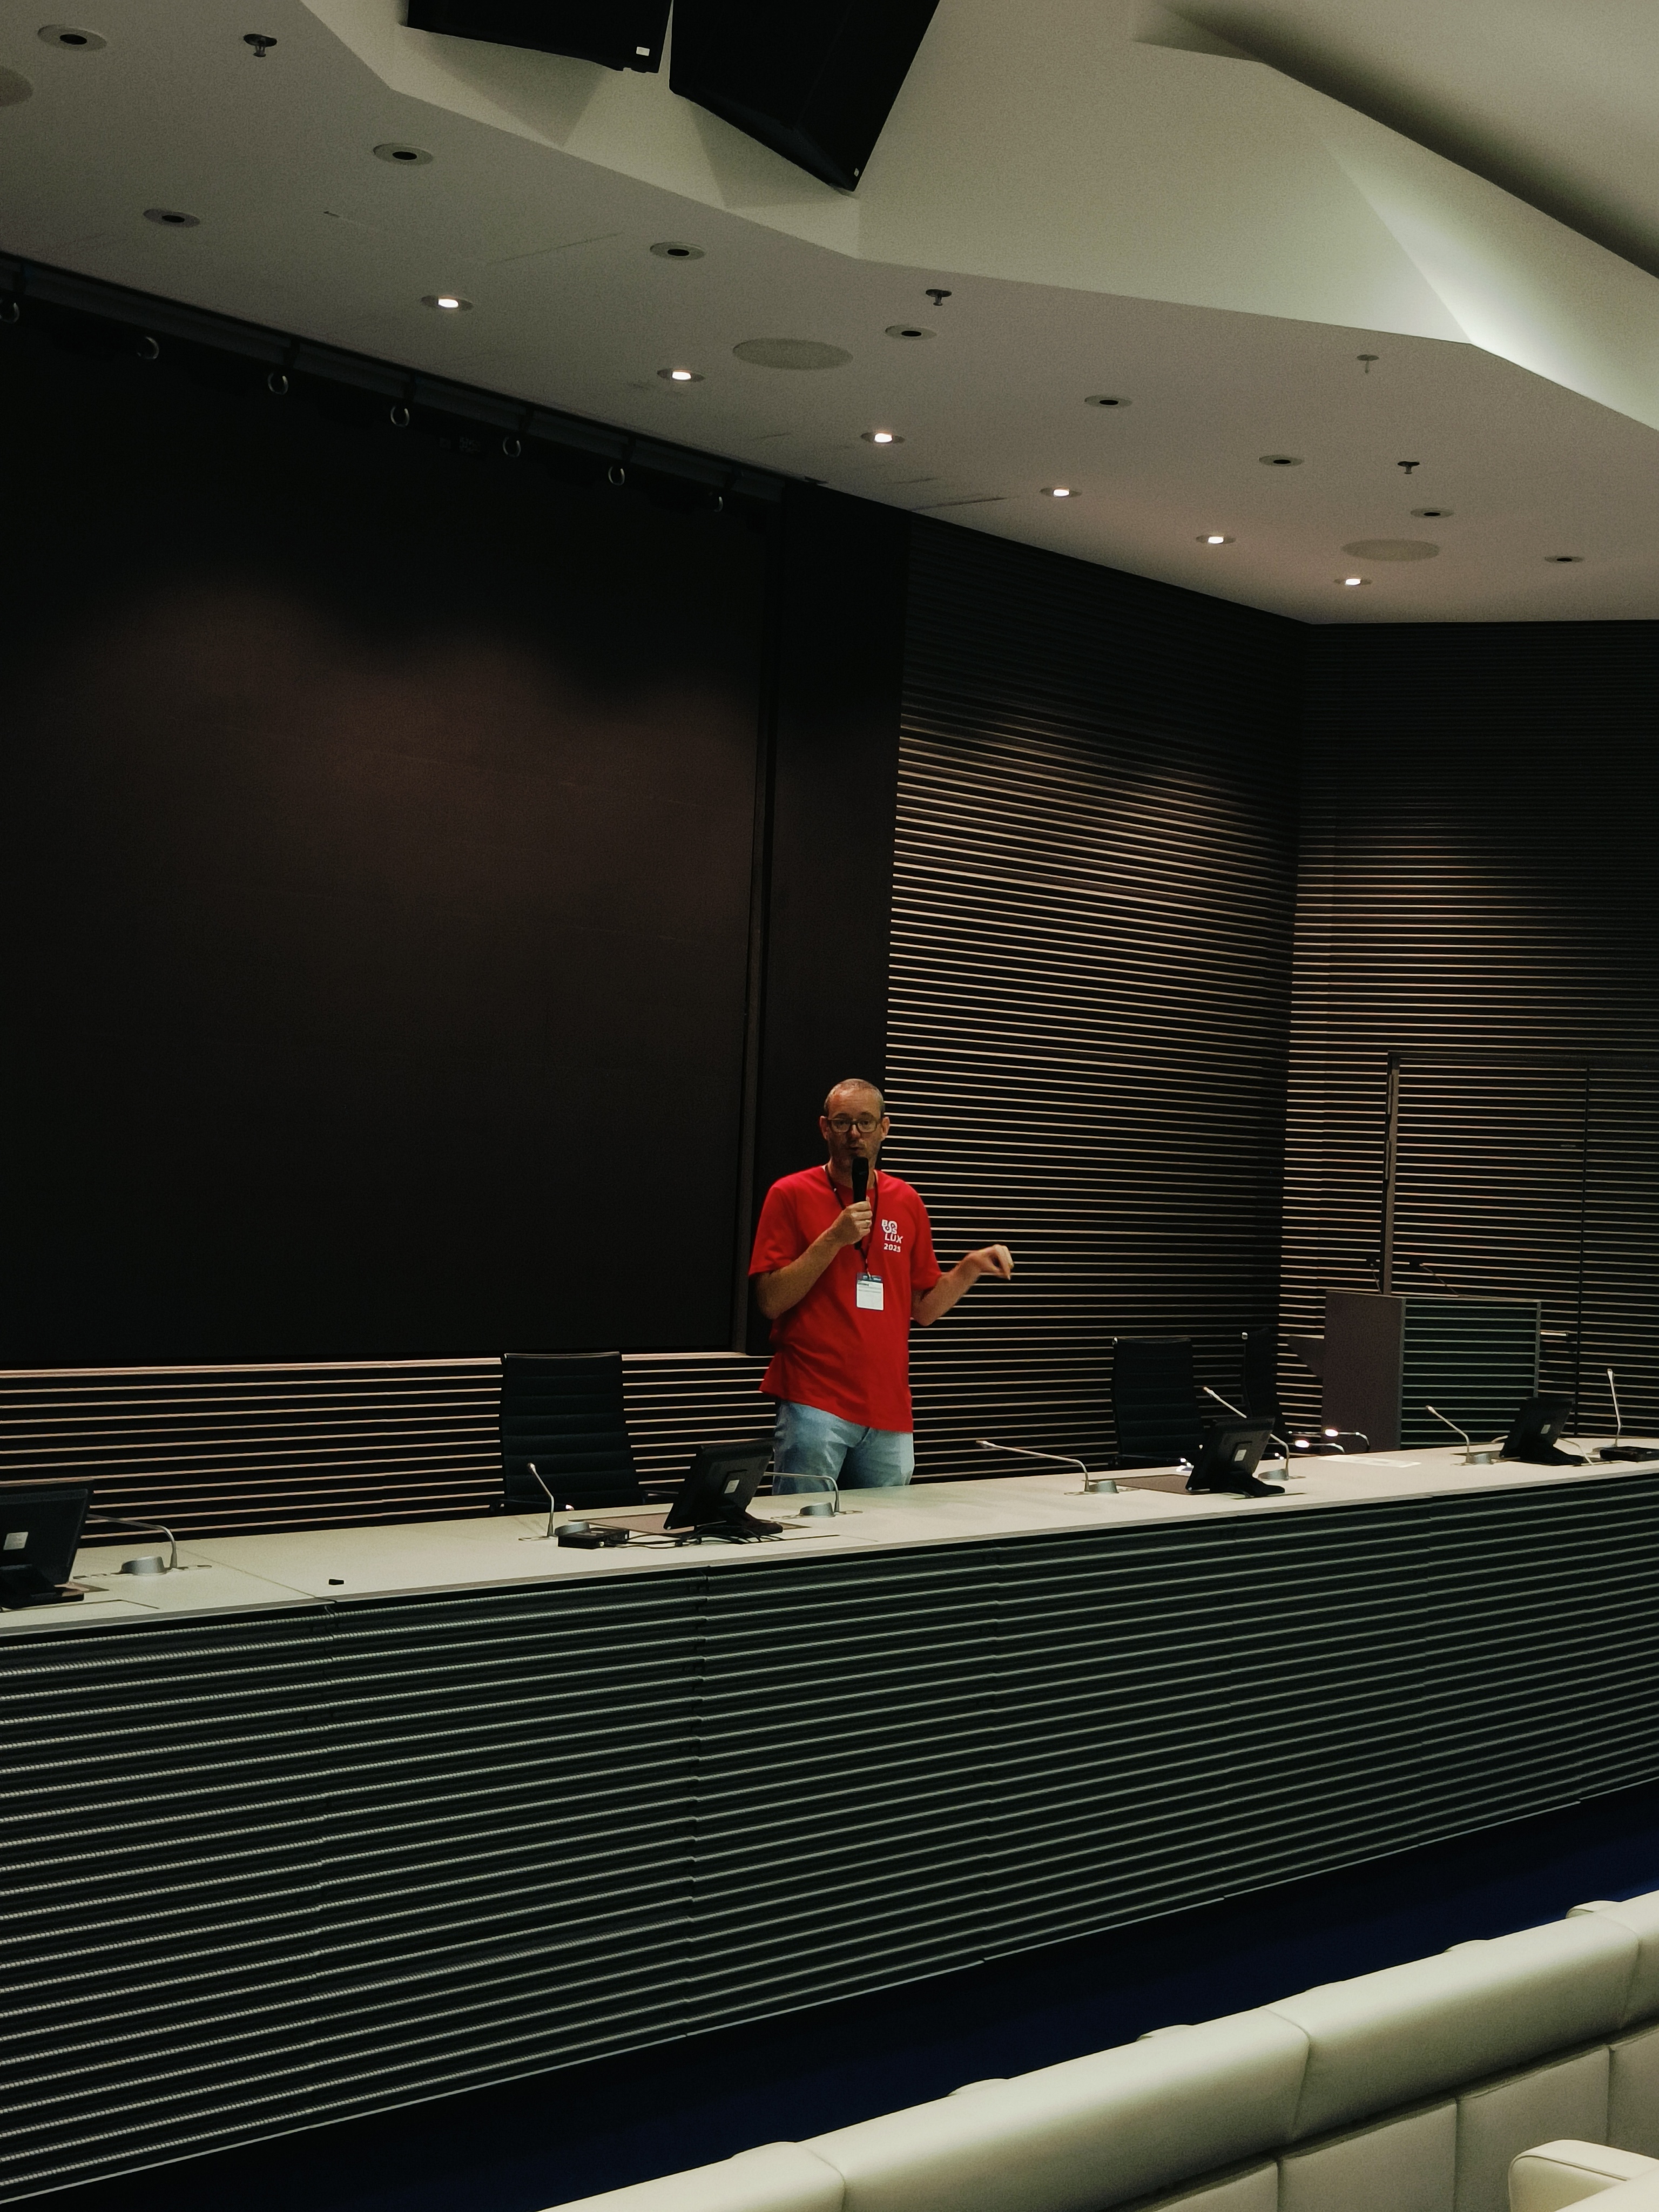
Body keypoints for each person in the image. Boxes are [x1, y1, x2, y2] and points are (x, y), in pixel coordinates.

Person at [748, 1078, 1014, 1494]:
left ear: (884, 1128)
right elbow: (770, 1301)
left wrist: (969, 1269)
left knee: (887, 1528)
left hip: (888, 1408)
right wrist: (833, 1239)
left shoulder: (906, 1200)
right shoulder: (790, 1194)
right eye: (842, 1122)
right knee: (807, 1525)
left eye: (866, 1122)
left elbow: (923, 1310)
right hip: (814, 1399)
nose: (854, 1134)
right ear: (824, 1128)